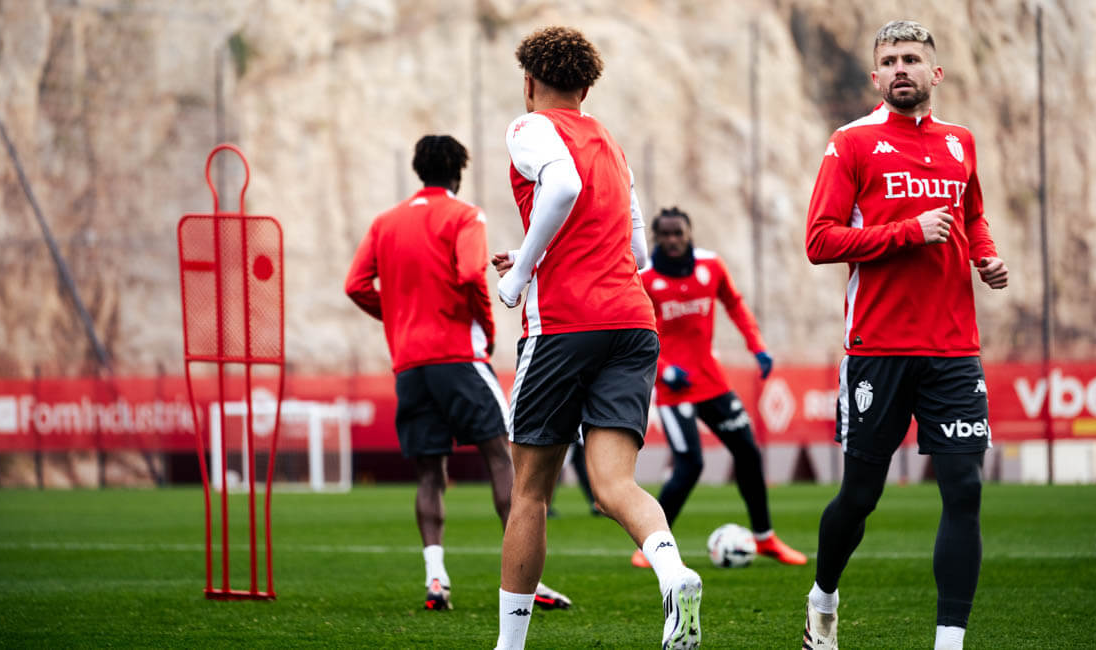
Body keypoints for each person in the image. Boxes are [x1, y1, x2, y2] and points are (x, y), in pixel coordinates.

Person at [492, 27, 702, 650]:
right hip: (632, 322)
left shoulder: (529, 127)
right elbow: (637, 252)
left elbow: (562, 187)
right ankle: (673, 571)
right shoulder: (609, 141)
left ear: (529, 82)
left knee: (530, 494)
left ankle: (509, 646)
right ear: (586, 88)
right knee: (614, 486)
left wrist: (522, 275)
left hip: (564, 326)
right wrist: (535, 253)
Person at [802, 20, 1008, 650]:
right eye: (889, 60)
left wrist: (984, 255)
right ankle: (823, 597)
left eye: (911, 59)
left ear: (934, 73)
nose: (900, 69)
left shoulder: (961, 142)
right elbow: (820, 241)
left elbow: (972, 215)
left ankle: (949, 642)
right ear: (875, 76)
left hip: (953, 349)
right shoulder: (851, 143)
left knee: (965, 489)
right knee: (860, 496)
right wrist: (907, 233)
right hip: (878, 349)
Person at [344, 134, 570, 613]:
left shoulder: (385, 222)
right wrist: (486, 326)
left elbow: (356, 285)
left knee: (430, 473)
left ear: (418, 170)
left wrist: (399, 317)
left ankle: (435, 577)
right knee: (503, 458)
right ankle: (528, 579)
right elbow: (470, 273)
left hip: (410, 365)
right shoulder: (466, 216)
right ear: (458, 172)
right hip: (458, 357)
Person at [632, 206, 806, 569]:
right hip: (673, 390)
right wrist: (664, 371)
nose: (672, 240)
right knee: (690, 465)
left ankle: (765, 538)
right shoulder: (645, 280)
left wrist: (757, 346)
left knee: (748, 452)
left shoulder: (711, 267)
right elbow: (636, 333)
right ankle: (652, 545)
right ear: (655, 238)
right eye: (665, 234)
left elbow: (735, 304)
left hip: (711, 382)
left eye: (678, 233)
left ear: (689, 233)